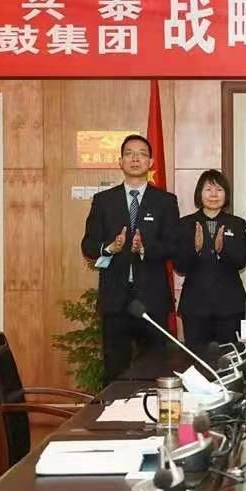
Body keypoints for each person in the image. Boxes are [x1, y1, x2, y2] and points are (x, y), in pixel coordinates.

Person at [81, 134, 179, 385]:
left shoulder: (166, 201)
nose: (135, 159)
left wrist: (145, 249)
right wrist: (110, 248)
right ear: (120, 161)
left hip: (153, 301)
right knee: (115, 372)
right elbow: (88, 245)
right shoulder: (104, 201)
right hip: (115, 301)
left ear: (151, 162)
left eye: (142, 154)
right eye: (129, 154)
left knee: (155, 370)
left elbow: (174, 245)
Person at [174, 170, 246, 350]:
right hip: (195, 307)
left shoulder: (237, 223)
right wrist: (195, 249)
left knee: (231, 358)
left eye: (219, 189)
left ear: (226, 194)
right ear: (199, 193)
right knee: (197, 359)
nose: (213, 194)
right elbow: (180, 266)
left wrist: (223, 250)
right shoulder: (185, 224)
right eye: (208, 189)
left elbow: (241, 262)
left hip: (230, 307)